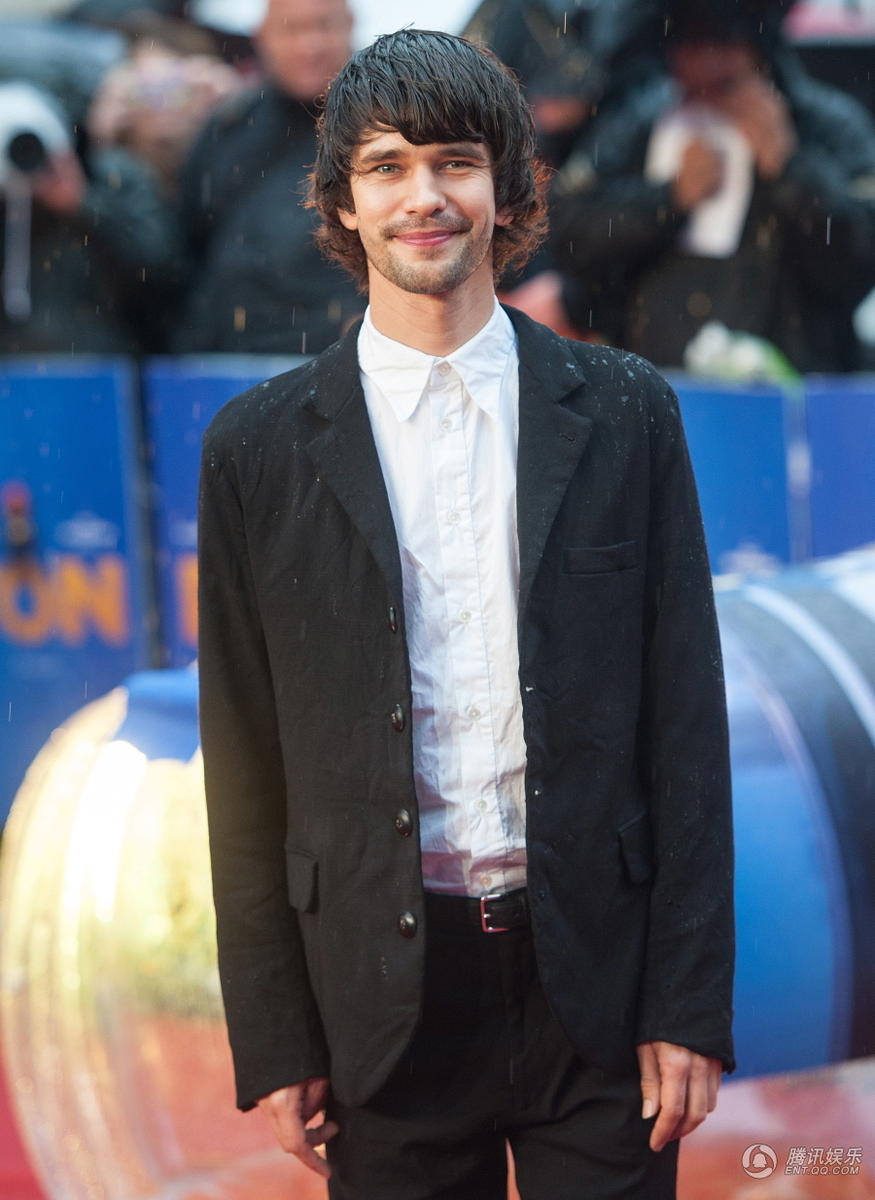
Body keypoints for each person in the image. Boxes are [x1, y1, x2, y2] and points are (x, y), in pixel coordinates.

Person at [198, 29, 734, 1200]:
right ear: (342, 201)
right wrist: (276, 1036)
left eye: (452, 162)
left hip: (597, 984)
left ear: (508, 186)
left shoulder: (626, 413)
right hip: (378, 1001)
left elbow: (685, 725)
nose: (423, 198)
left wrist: (687, 1001)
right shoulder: (255, 450)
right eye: (385, 166)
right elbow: (242, 763)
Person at [542, 0, 875, 371]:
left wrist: (790, 168)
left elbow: (858, 263)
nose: (708, 62)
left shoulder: (827, 126)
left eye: (725, 41)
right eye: (691, 43)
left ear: (758, 44)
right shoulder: (640, 122)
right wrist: (667, 199)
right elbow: (569, 233)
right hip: (656, 379)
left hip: (792, 382)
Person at [173, 0, 360, 354]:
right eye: (291, 29)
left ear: (350, 25)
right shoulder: (229, 125)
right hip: (221, 356)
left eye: (324, 26)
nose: (309, 45)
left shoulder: (380, 128)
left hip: (334, 356)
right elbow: (188, 240)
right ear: (260, 36)